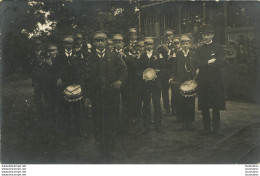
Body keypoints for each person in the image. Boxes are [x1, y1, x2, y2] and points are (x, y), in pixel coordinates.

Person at [80, 31, 128, 162]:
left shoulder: (113, 56)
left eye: (102, 40)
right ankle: (101, 152)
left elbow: (124, 70)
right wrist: (86, 97)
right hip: (96, 97)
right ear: (94, 43)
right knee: (98, 123)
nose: (100, 43)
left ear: (106, 42)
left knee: (111, 123)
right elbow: (84, 79)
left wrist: (119, 81)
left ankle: (110, 151)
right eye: (97, 41)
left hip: (111, 96)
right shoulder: (89, 59)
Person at [195, 24, 226, 135]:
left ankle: (216, 129)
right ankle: (207, 128)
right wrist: (208, 62)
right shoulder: (199, 49)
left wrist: (205, 66)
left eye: (208, 35)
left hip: (215, 81)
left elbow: (221, 62)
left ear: (212, 35)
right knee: (204, 106)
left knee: (216, 106)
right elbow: (196, 62)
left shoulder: (218, 48)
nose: (206, 37)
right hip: (203, 82)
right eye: (204, 35)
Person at [136, 37, 165, 133]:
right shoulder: (141, 56)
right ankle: (146, 125)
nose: (149, 46)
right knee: (146, 105)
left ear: (153, 45)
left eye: (151, 44)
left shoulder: (158, 55)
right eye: (147, 44)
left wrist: (158, 72)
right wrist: (143, 75)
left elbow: (164, 68)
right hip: (145, 85)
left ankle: (158, 125)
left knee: (157, 104)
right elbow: (137, 71)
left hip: (156, 84)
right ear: (144, 45)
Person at [169, 35, 196, 130]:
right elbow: (174, 68)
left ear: (190, 44)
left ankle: (190, 122)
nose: (185, 45)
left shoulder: (193, 54)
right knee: (181, 101)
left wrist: (196, 72)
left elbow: (196, 66)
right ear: (181, 44)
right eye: (183, 44)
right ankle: (183, 122)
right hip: (180, 81)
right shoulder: (178, 54)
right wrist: (172, 77)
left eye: (187, 44)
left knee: (190, 101)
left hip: (190, 81)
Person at [158, 29, 174, 116]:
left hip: (173, 71)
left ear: (172, 36)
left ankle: (175, 109)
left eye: (170, 35)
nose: (168, 37)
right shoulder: (161, 47)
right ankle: (167, 109)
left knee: (175, 91)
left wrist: (168, 51)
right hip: (164, 71)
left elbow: (175, 57)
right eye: (166, 36)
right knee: (165, 90)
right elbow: (160, 59)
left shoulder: (174, 45)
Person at [170, 36, 182, 116]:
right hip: (174, 76)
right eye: (175, 43)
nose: (177, 45)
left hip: (182, 76)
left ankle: (181, 112)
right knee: (174, 94)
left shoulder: (183, 52)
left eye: (178, 43)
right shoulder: (171, 53)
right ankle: (175, 111)